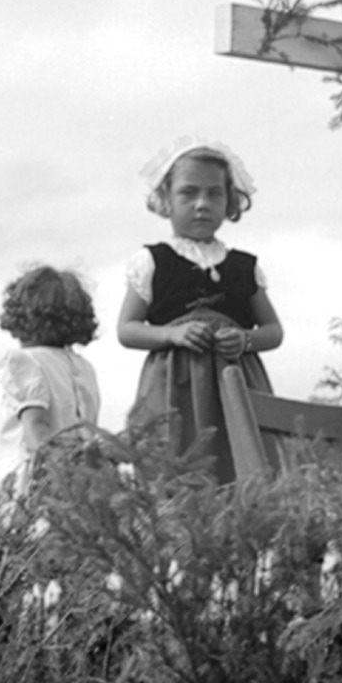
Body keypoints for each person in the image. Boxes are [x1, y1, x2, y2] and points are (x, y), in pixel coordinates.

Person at [118, 137, 283, 484]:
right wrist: (170, 334)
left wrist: (244, 339)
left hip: (235, 383)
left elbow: (273, 331)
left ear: (230, 202)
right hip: (172, 385)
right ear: (165, 199)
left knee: (244, 466)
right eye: (188, 193)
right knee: (174, 467)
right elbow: (128, 328)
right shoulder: (153, 261)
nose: (202, 204)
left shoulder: (243, 266)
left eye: (214, 194)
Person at [0, 266, 102, 526]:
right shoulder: (83, 368)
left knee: (24, 553)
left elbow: (36, 427)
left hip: (36, 480)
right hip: (81, 480)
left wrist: (59, 470)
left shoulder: (26, 363)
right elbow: (89, 430)